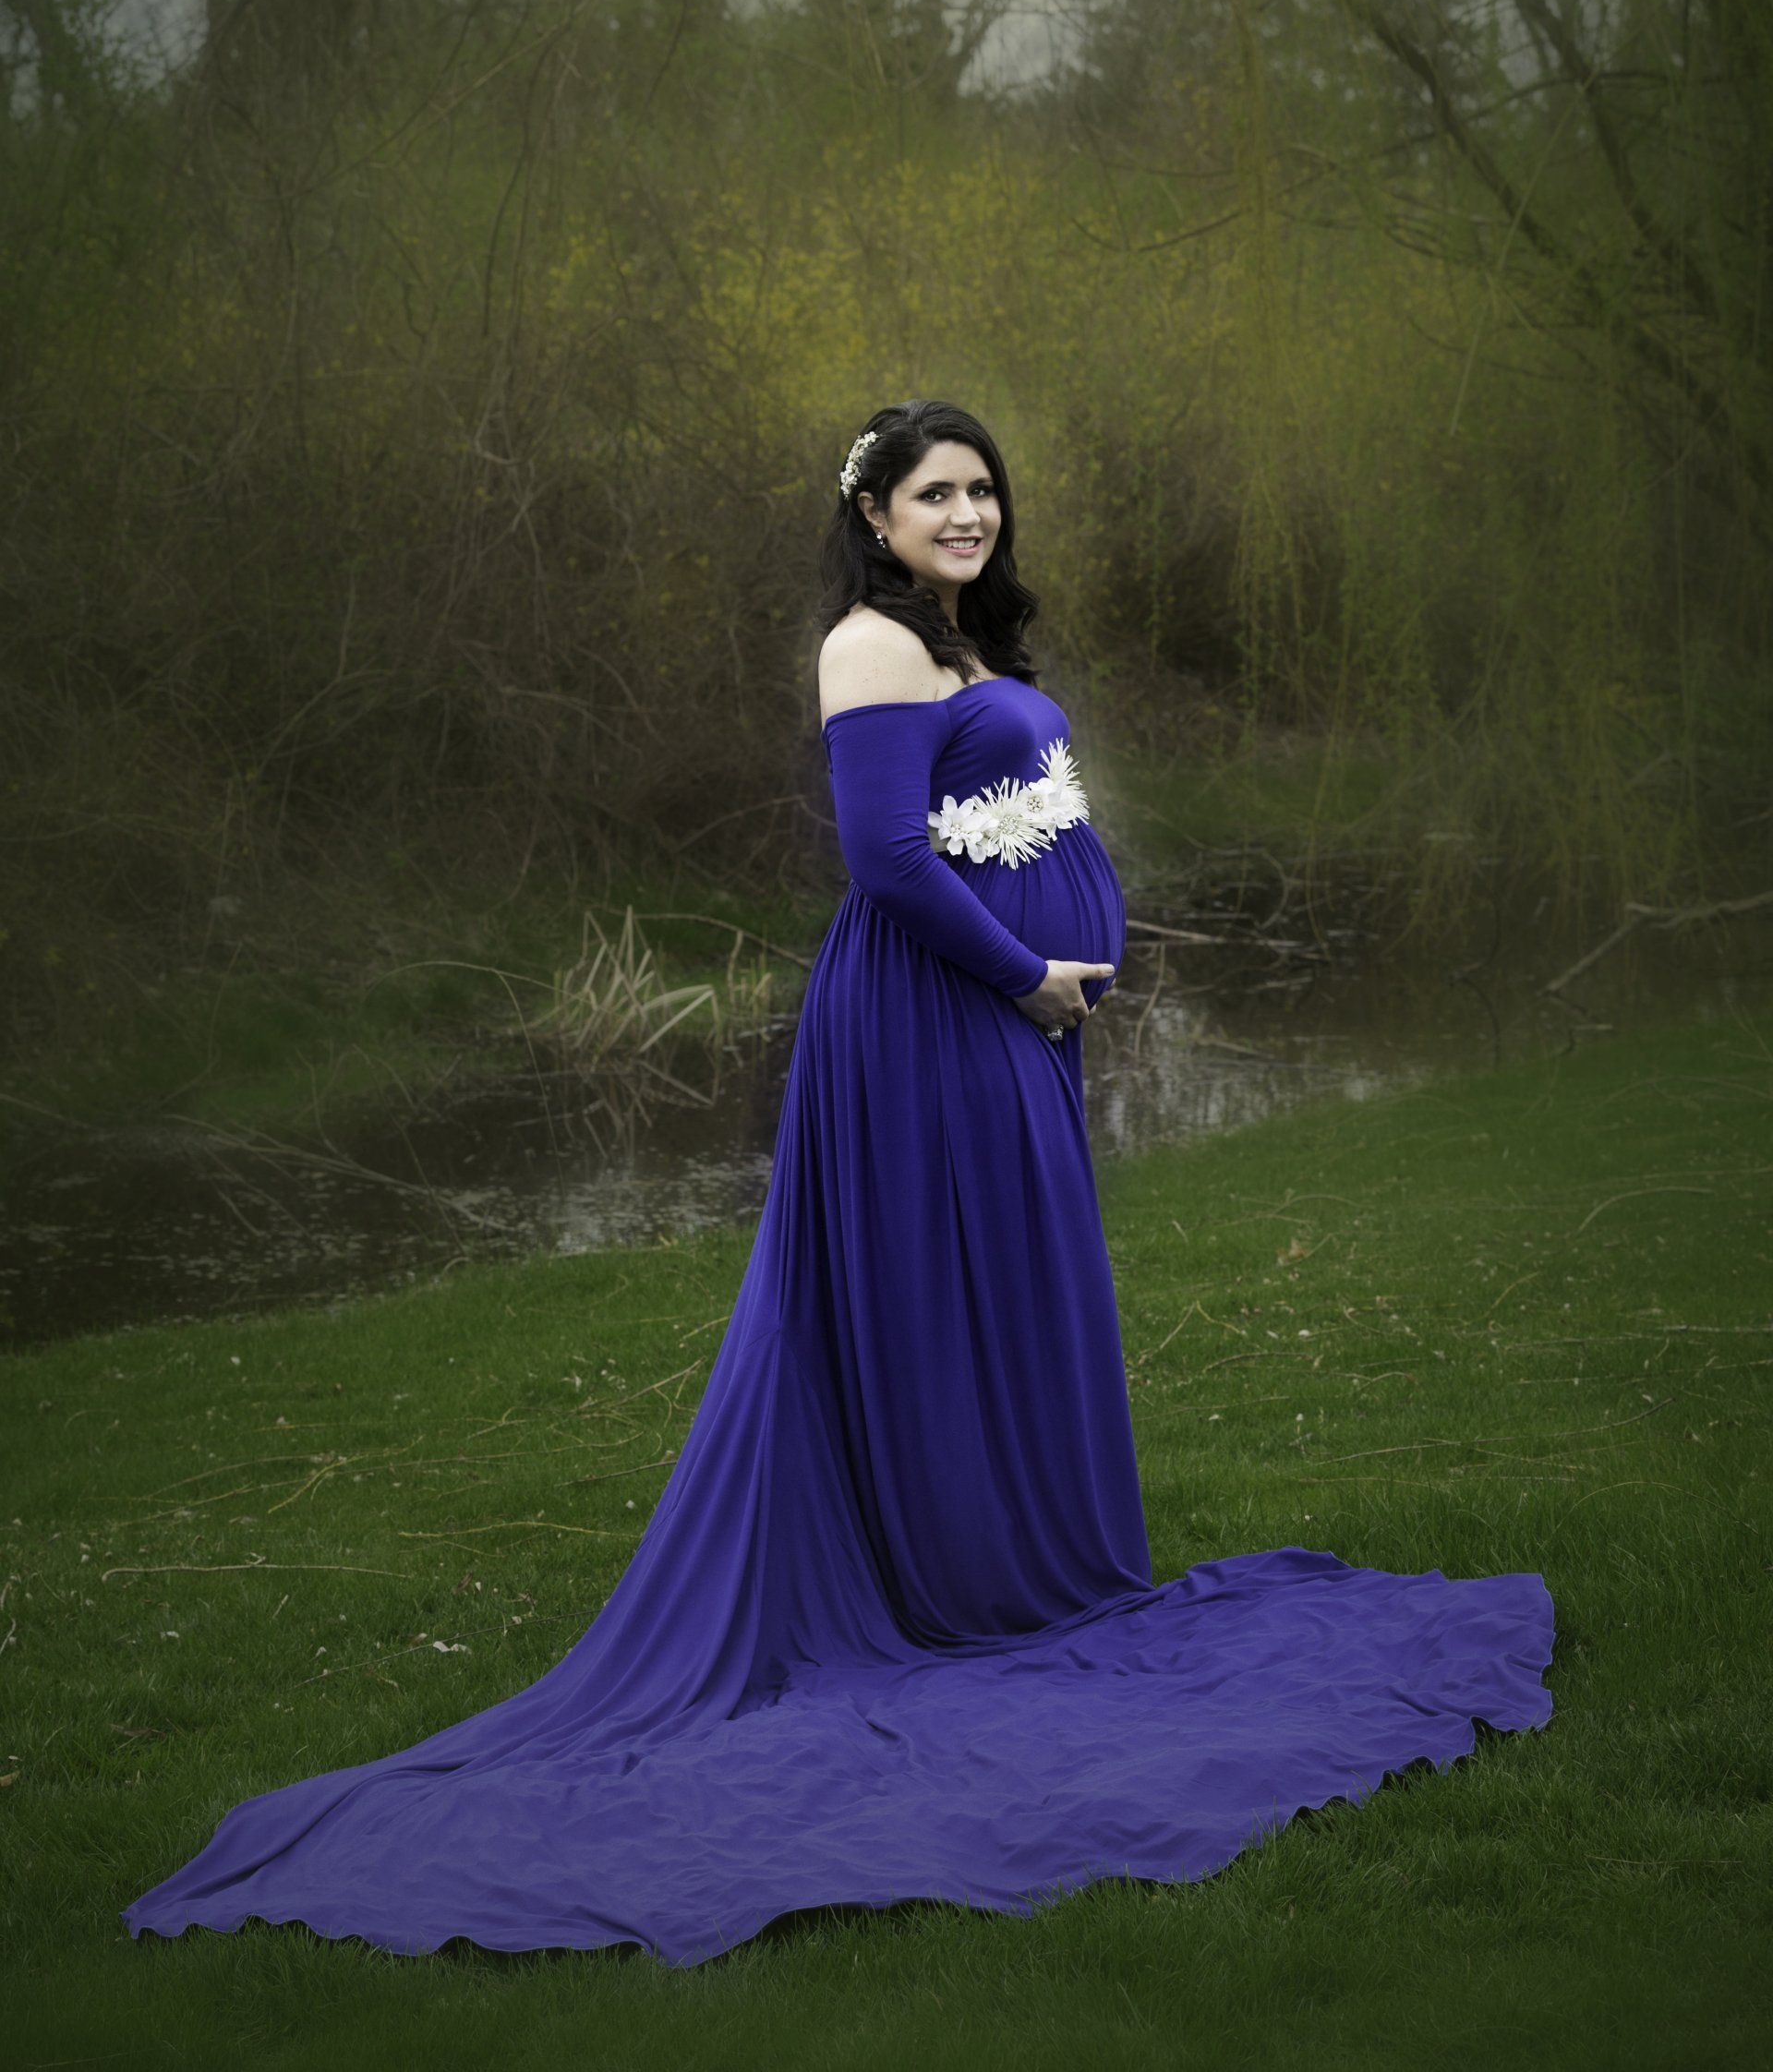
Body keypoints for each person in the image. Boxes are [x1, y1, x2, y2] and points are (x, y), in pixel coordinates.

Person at [122, 398, 1554, 1967]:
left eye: (983, 488)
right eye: (935, 493)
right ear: (875, 516)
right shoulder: (869, 648)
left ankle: (1019, 1572)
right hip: (939, 1019)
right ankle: (952, 1584)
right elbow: (886, 861)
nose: (968, 512)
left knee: (1013, 1287)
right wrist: (1028, 977)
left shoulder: (966, 646)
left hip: (1009, 1020)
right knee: (941, 1288)